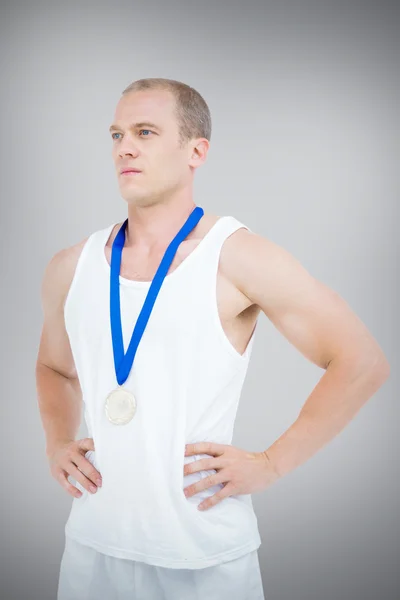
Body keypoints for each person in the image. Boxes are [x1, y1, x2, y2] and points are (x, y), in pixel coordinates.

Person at [36, 78, 390, 600]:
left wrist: (272, 463)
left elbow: (361, 361)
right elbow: (54, 367)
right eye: (116, 135)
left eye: (146, 132)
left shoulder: (236, 257)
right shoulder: (72, 265)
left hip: (202, 555)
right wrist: (57, 442)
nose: (125, 147)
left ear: (196, 150)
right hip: (93, 551)